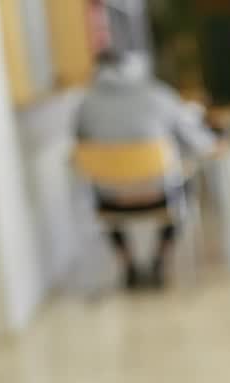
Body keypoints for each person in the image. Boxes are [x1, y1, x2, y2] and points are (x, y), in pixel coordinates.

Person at [75, 49, 216, 289]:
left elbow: (81, 141)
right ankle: (160, 258)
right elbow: (199, 143)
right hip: (160, 196)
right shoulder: (159, 95)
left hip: (109, 200)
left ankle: (128, 263)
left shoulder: (86, 103)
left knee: (98, 183)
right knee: (185, 184)